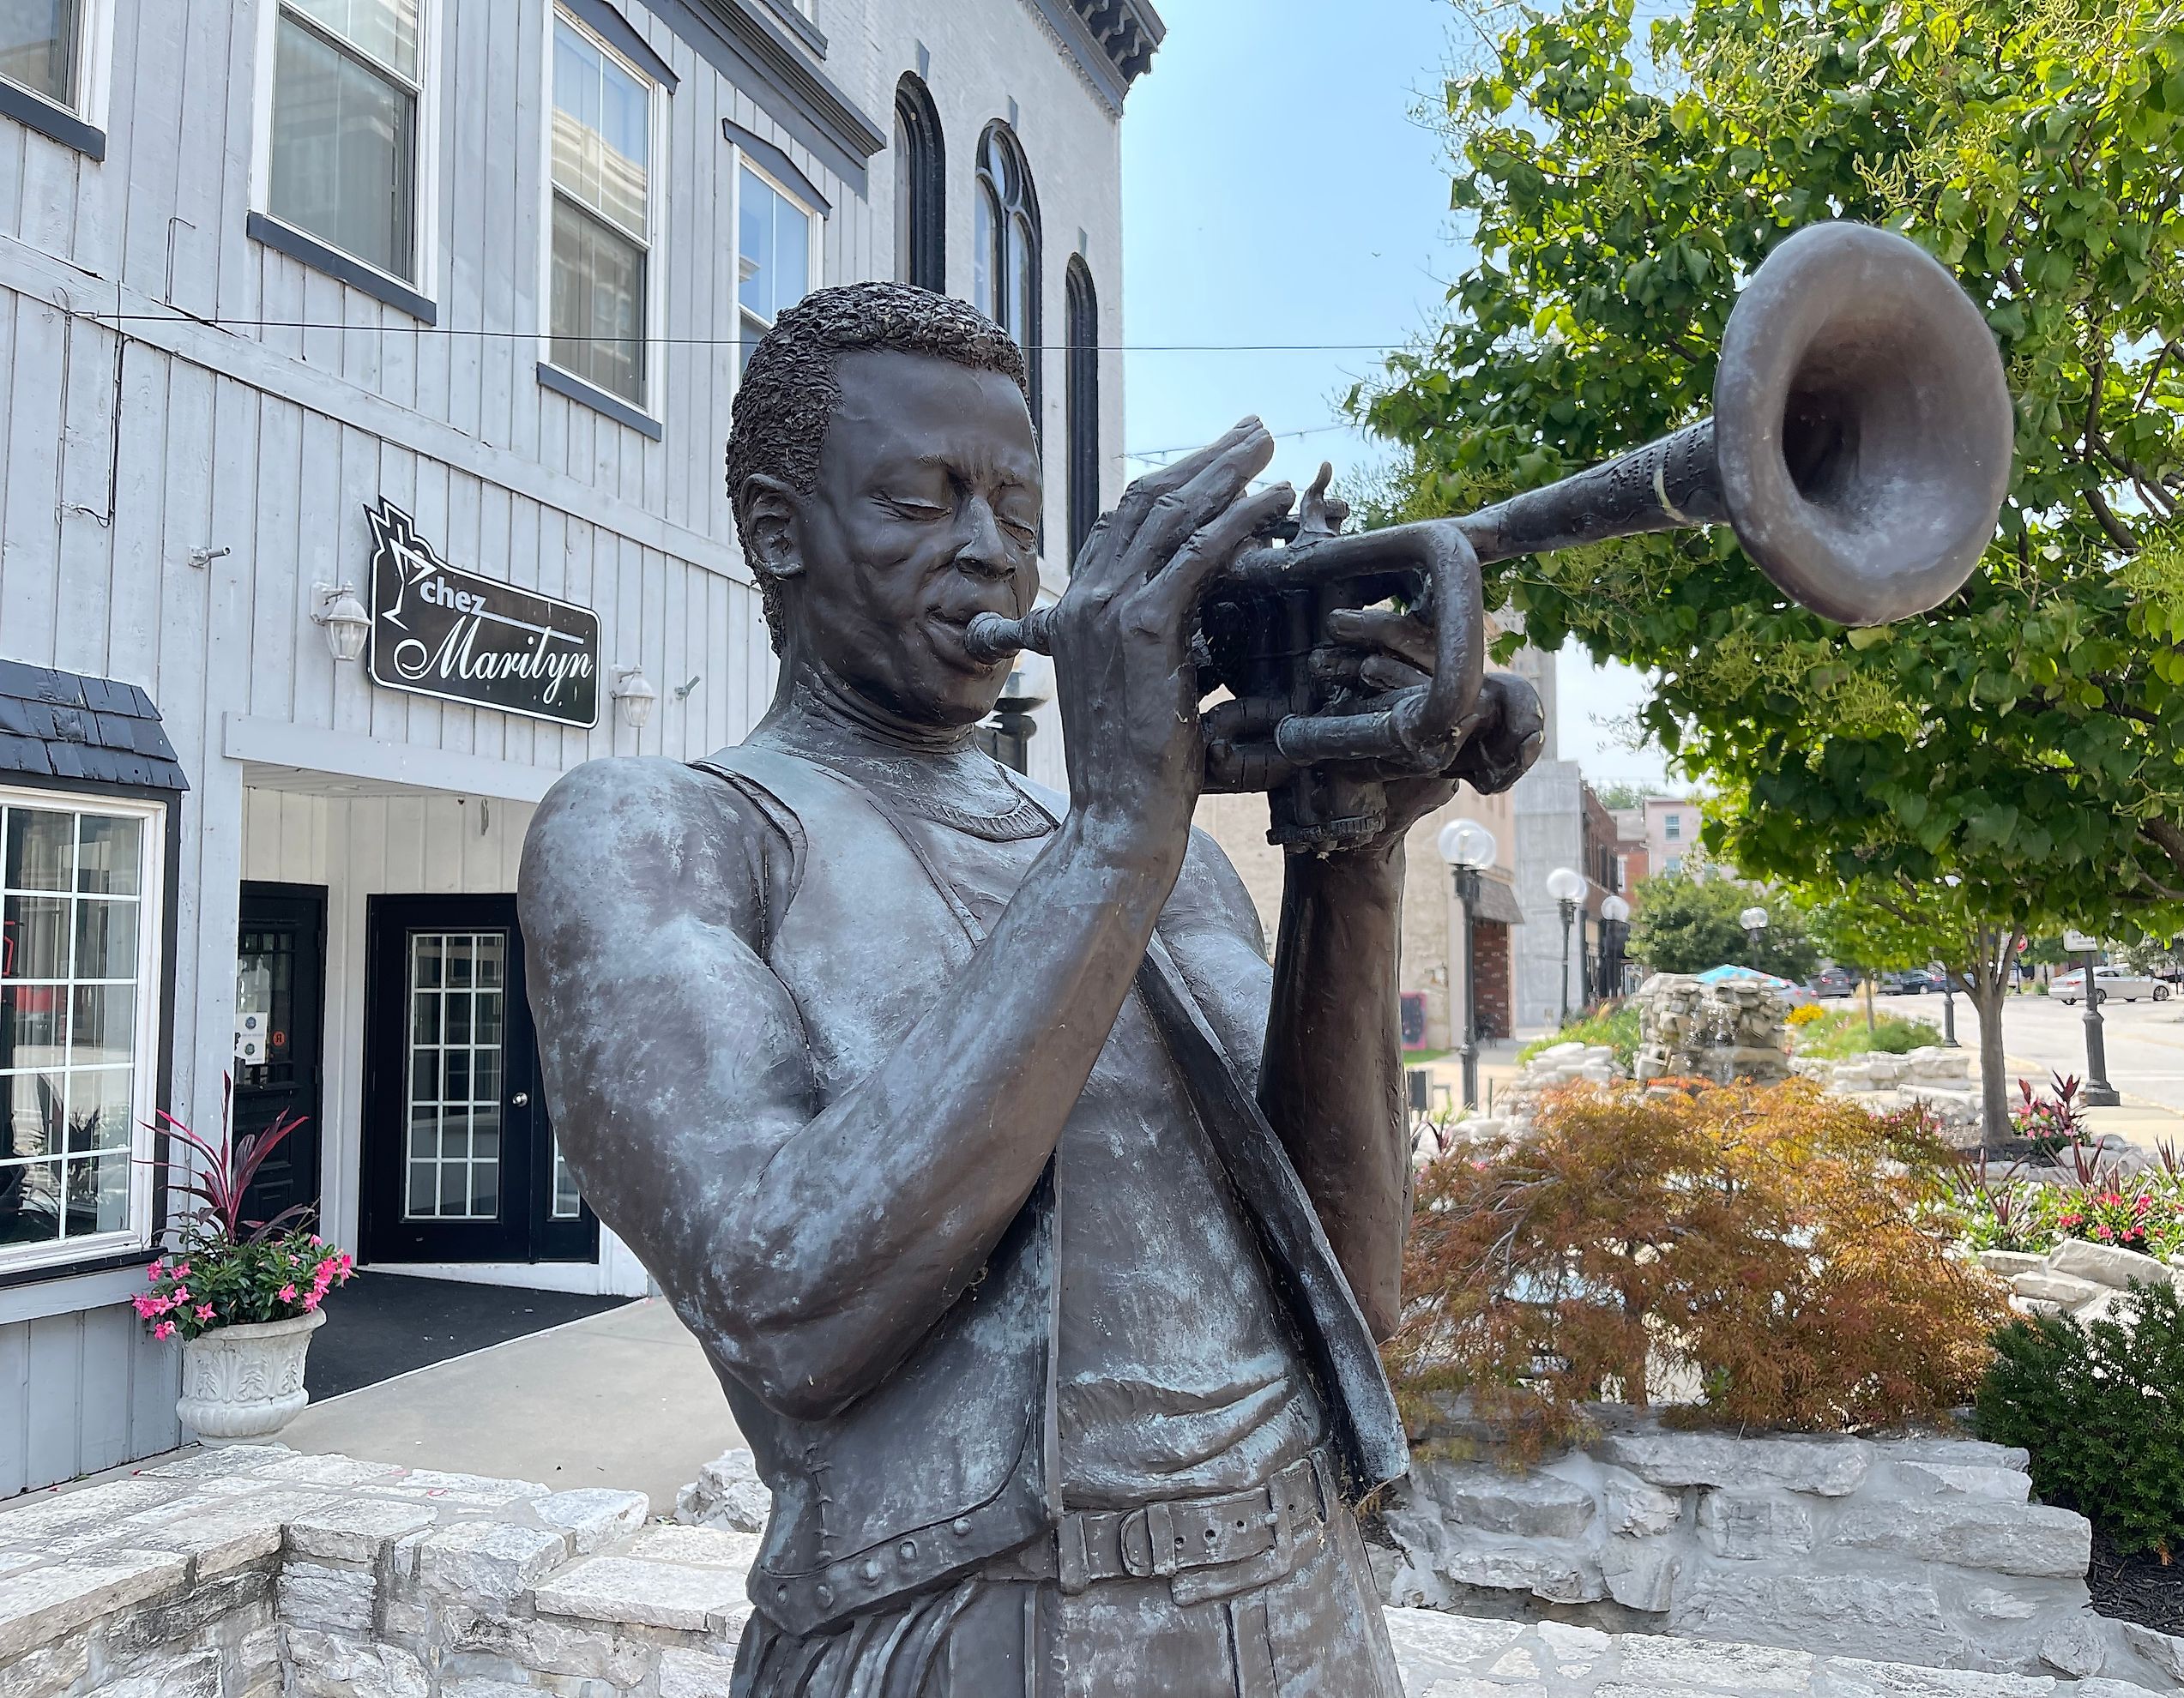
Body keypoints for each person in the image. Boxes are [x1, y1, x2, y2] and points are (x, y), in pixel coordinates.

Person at [520, 282, 1541, 1698]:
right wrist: (1123, 824)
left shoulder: (1153, 865)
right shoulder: (666, 834)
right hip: (968, 1638)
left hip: (1308, 1600)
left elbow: (1352, 1289)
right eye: (922, 502)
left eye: (1013, 504)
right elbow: (782, 1299)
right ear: (777, 531)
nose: (991, 554)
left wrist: (1351, 848)